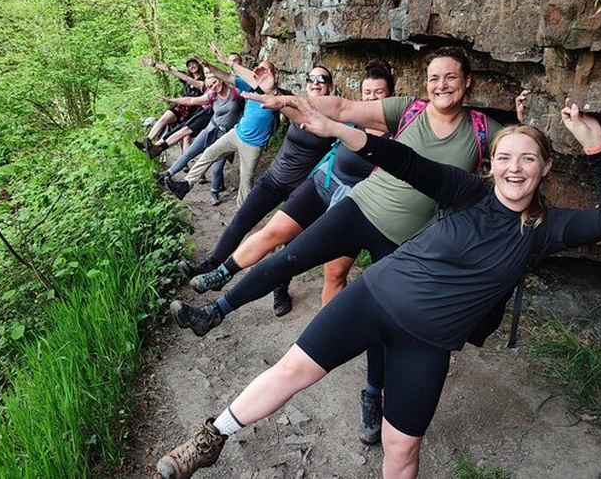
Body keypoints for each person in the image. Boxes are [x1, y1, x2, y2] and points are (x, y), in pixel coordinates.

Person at [154, 99, 601, 479]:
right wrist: (339, 130)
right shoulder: (464, 191)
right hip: (373, 299)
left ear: (545, 168)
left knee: (403, 446)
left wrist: (595, 144)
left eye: (527, 159)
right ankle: (209, 439)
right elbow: (404, 160)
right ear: (490, 164)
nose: (515, 168)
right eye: (505, 157)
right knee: (293, 371)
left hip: (427, 342)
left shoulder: (548, 229)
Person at [171, 47, 502, 445]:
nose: (441, 86)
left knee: (383, 325)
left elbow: (520, 161)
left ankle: (372, 396)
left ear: (467, 82)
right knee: (290, 258)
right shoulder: (408, 109)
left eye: (450, 77)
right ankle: (214, 312)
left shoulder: (484, 131)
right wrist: (294, 101)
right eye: (434, 78)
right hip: (360, 206)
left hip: (407, 240)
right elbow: (344, 107)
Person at [187, 59, 395, 307]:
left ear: (391, 95)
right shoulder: (347, 116)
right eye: (367, 93)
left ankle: (289, 298)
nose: (371, 98)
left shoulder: (396, 131)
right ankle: (217, 272)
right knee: (262, 229)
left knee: (325, 269)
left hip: (346, 201)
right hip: (302, 184)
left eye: (379, 93)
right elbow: (296, 109)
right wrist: (273, 92)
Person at [170, 53, 337, 311]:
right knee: (241, 220)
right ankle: (211, 267)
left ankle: (280, 290)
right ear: (305, 84)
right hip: (273, 178)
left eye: (322, 79)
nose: (316, 82)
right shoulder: (294, 102)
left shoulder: (336, 116)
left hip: (301, 189)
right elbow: (261, 87)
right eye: (312, 78)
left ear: (331, 86)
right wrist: (235, 68)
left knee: (286, 246)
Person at [162, 47, 287, 207]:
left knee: (246, 179)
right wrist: (209, 65)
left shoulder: (281, 96)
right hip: (236, 133)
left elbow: (285, 118)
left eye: (267, 71)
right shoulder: (251, 86)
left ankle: (242, 212)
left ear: (274, 75)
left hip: (254, 144)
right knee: (209, 153)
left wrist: (280, 110)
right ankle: (186, 185)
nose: (263, 74)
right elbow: (227, 76)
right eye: (260, 70)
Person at [153, 74, 245, 205]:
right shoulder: (212, 96)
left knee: (217, 167)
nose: (214, 86)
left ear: (220, 80)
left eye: (215, 82)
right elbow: (191, 100)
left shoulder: (236, 92)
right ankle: (166, 175)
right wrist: (171, 100)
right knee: (189, 153)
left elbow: (249, 99)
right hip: (210, 129)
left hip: (226, 135)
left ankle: (214, 193)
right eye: (211, 86)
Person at [136, 57, 207, 151]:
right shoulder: (186, 77)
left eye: (193, 64)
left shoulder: (205, 79)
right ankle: (147, 142)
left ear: (198, 64)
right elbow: (171, 71)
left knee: (185, 137)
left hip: (194, 110)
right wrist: (154, 64)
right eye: (189, 66)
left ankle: (183, 160)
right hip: (180, 106)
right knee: (164, 118)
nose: (192, 67)